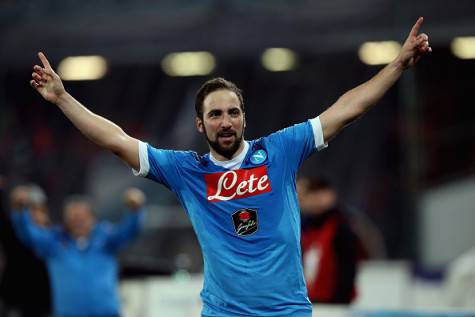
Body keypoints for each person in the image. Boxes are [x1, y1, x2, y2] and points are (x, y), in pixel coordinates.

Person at [28, 18, 431, 316]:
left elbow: (347, 110)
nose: (226, 121)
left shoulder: (281, 150)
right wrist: (63, 99)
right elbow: (116, 140)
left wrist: (396, 65)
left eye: (233, 112)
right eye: (216, 114)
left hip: (288, 311)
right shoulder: (186, 171)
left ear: (244, 118)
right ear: (200, 124)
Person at [10, 187, 145, 317]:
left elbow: (129, 230)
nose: (78, 222)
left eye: (82, 217)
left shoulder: (106, 239)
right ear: (65, 220)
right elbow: (27, 233)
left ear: (93, 218)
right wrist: (19, 211)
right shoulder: (54, 241)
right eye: (73, 218)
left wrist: (135, 209)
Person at [299, 177, 366, 304]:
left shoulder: (341, 227)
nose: (317, 198)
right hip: (310, 300)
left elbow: (348, 267)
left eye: (321, 193)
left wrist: (341, 301)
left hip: (333, 302)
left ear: (331, 196)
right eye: (313, 193)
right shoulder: (305, 228)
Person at [0, 184, 51, 317]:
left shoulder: (53, 235)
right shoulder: (12, 230)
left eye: (35, 208)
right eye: (27, 208)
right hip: (16, 302)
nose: (31, 213)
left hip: (45, 303)